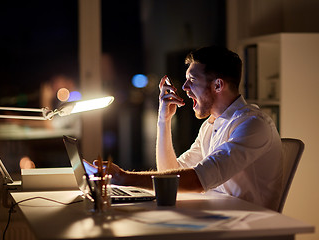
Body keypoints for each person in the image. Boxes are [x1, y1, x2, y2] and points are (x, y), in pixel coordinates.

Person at [86, 46, 283, 210]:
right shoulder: (210, 125)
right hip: (218, 218)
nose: (185, 88)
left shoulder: (253, 125)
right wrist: (164, 121)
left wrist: (126, 178)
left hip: (250, 228)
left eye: (193, 80)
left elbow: (198, 181)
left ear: (218, 85)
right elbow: (171, 174)